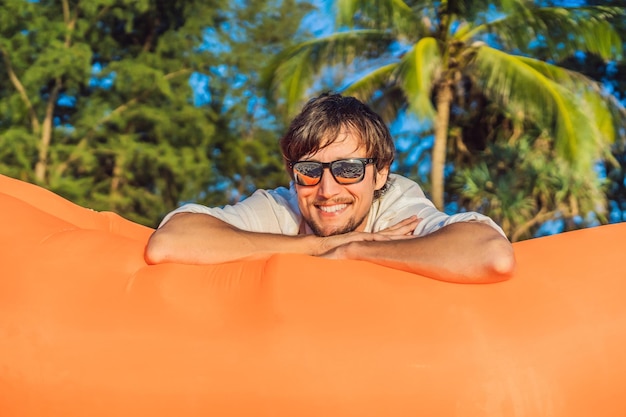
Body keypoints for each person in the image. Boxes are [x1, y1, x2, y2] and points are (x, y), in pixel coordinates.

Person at [146, 92, 515, 283]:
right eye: (308, 170)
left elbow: (490, 255)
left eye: (348, 169)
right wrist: (319, 245)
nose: (325, 190)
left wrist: (354, 253)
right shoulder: (285, 205)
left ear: (381, 173)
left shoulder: (397, 205)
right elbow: (171, 242)